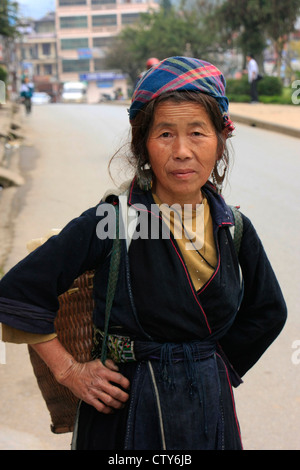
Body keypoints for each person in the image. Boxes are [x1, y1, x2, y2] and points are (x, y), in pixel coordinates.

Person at [0, 56, 287, 450]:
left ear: (220, 142)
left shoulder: (234, 227)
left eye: (198, 133)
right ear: (143, 144)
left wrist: (216, 366)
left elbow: (269, 311)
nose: (182, 150)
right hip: (126, 410)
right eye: (165, 133)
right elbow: (18, 291)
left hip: (209, 408)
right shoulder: (113, 220)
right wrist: (70, 371)